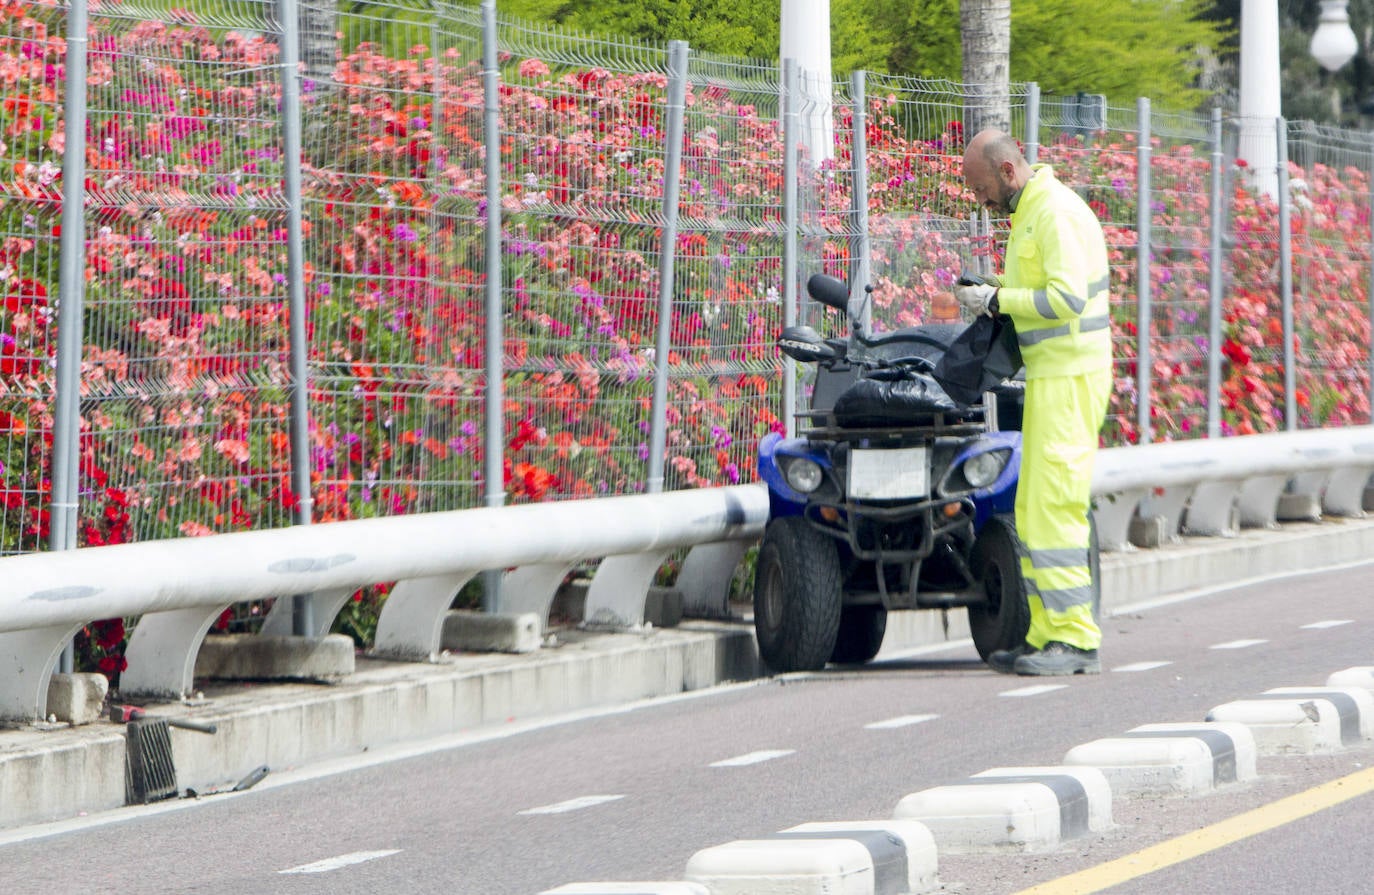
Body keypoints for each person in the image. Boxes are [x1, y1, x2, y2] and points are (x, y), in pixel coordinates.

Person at [955, 128, 1113, 676]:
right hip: (1054, 378)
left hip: (1070, 379)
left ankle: (1075, 640)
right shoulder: (1035, 212)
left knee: (1056, 507)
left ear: (1006, 171)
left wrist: (998, 297)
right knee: (1032, 510)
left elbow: (1066, 298)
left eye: (980, 188)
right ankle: (1047, 636)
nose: (980, 200)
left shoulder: (1054, 214)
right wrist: (995, 295)